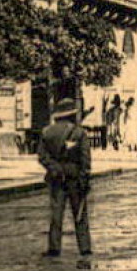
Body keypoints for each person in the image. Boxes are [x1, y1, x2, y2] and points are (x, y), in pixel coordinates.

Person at [38, 98, 93, 258]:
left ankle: (54, 248)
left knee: (56, 214)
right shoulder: (79, 132)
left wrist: (54, 168)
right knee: (80, 213)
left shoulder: (47, 132)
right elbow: (85, 159)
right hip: (75, 177)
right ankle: (84, 247)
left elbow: (42, 155)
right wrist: (85, 178)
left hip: (56, 177)